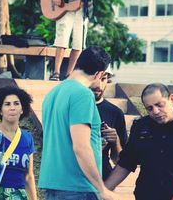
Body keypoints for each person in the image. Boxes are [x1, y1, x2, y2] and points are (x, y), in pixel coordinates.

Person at [39, 46, 119, 200]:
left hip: (53, 185)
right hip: (78, 187)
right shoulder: (82, 94)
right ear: (99, 74)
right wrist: (101, 188)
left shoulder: (53, 93)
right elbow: (81, 147)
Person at [90, 65, 127, 180]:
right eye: (95, 78)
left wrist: (115, 141)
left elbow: (119, 161)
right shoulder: (73, 107)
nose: (99, 85)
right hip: (74, 179)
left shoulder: (115, 113)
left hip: (103, 178)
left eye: (103, 79)